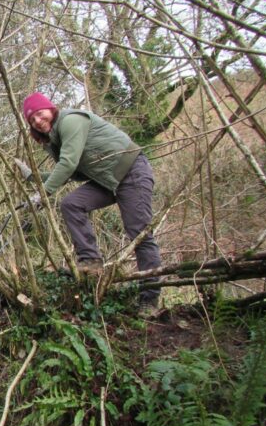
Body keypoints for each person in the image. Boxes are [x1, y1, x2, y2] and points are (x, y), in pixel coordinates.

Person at [17, 92, 162, 313]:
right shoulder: (53, 140)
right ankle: (91, 261)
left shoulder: (71, 121)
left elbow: (67, 163)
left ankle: (150, 300)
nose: (37, 121)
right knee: (71, 204)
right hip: (107, 180)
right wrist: (33, 177)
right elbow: (70, 171)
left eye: (39, 113)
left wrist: (42, 194)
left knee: (139, 234)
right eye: (32, 120)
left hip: (131, 171)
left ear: (50, 109)